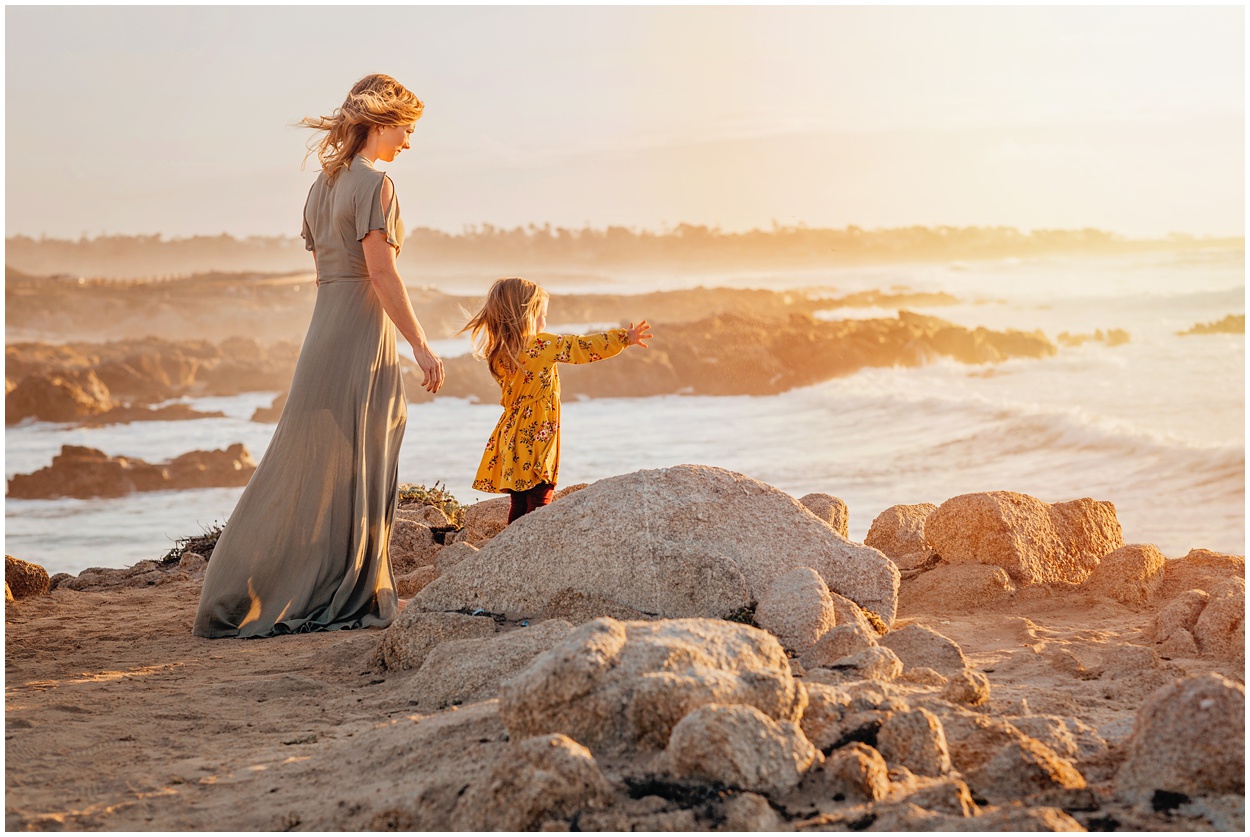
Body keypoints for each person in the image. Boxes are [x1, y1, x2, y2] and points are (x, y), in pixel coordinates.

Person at [193, 73, 444, 638]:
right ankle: (350, 590)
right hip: (361, 330)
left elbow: (325, 277)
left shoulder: (320, 188)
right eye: (406, 129)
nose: (408, 142)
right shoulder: (376, 185)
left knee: (306, 459)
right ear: (381, 124)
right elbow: (381, 274)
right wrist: (421, 345)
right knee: (366, 449)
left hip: (323, 329)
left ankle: (249, 585)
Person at [463, 277, 652, 522]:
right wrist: (624, 338)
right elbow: (582, 347)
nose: (545, 320)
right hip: (538, 432)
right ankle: (531, 549)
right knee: (540, 498)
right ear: (527, 315)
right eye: (542, 314)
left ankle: (510, 547)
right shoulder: (542, 344)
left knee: (520, 501)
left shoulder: (500, 351)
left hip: (512, 434)